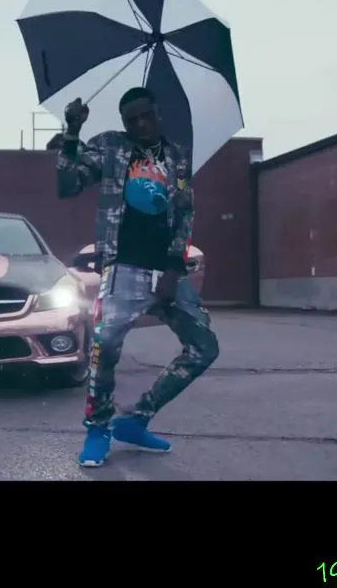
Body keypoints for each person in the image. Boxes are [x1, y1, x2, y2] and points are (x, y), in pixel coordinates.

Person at [56, 86, 220, 467]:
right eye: (132, 120)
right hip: (123, 267)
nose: (140, 124)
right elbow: (68, 185)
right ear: (124, 122)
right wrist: (72, 133)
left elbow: (184, 213)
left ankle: (136, 418)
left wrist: (174, 268)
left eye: (146, 115)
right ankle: (98, 429)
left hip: (166, 271)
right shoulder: (110, 146)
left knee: (204, 348)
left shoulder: (178, 157)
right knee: (104, 346)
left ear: (158, 113)